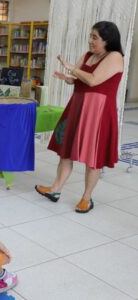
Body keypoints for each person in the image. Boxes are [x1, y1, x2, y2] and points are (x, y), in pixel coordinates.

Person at [35, 21, 124, 213]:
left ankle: (86, 198)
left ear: (107, 40)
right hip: (77, 106)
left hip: (98, 112)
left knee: (93, 157)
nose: (90, 41)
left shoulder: (115, 56)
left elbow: (93, 80)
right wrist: (68, 78)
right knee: (66, 151)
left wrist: (71, 68)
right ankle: (55, 190)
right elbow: (79, 79)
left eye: (95, 37)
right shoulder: (87, 55)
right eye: (90, 36)